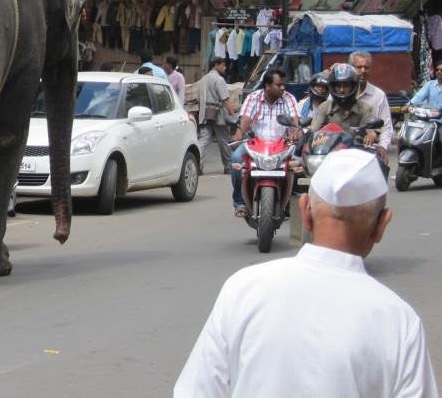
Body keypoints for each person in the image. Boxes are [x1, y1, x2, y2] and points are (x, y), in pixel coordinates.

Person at [175, 149, 438, 397]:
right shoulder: (398, 321)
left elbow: (197, 389)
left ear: (305, 212)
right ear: (382, 225)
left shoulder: (243, 288)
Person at [230, 69, 299, 217]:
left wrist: (294, 134)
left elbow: (294, 122)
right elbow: (245, 120)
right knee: (236, 159)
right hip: (256, 144)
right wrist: (239, 133)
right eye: (279, 85)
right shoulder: (253, 98)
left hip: (283, 145)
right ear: (267, 86)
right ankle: (240, 202)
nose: (283, 88)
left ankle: (291, 202)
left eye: (283, 85)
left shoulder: (289, 99)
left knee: (300, 164)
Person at [348, 51, 394, 163]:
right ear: (351, 68)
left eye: (366, 68)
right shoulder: (338, 93)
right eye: (359, 67)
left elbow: (386, 127)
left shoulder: (379, 95)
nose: (363, 71)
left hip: (369, 151)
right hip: (342, 150)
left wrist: (382, 147)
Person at [197, 58, 237, 174]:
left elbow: (198, 99)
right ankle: (228, 166)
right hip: (218, 114)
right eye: (223, 65)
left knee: (204, 140)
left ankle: (198, 165)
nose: (225, 68)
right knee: (223, 140)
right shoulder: (219, 80)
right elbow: (225, 99)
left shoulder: (202, 80)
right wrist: (232, 113)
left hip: (205, 113)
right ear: (216, 65)